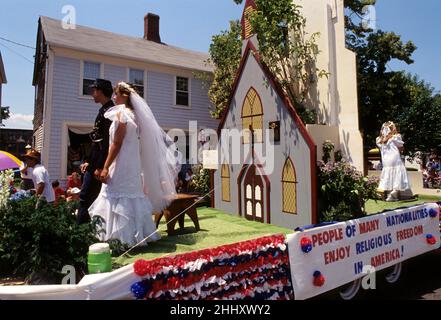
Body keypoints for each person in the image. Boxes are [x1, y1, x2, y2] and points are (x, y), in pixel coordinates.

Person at [88, 82, 181, 246]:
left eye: (116, 94)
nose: (114, 97)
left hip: (122, 162)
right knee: (131, 196)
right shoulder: (137, 116)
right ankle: (137, 235)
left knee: (115, 196)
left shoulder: (122, 114)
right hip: (133, 164)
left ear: (125, 96)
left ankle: (118, 237)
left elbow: (116, 143)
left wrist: (106, 166)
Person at [77, 79, 114, 224]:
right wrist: (88, 161)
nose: (92, 94)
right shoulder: (103, 110)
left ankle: (80, 232)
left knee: (86, 197)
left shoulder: (109, 112)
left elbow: (107, 144)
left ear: (100, 91)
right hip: (95, 163)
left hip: (100, 166)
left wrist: (99, 166)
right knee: (90, 198)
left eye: (93, 90)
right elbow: (96, 142)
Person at [376, 121, 411, 202]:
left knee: (388, 174)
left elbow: (381, 146)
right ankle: (394, 191)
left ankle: (389, 194)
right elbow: (401, 147)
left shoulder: (379, 140)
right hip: (394, 157)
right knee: (397, 173)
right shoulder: (395, 137)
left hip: (386, 160)